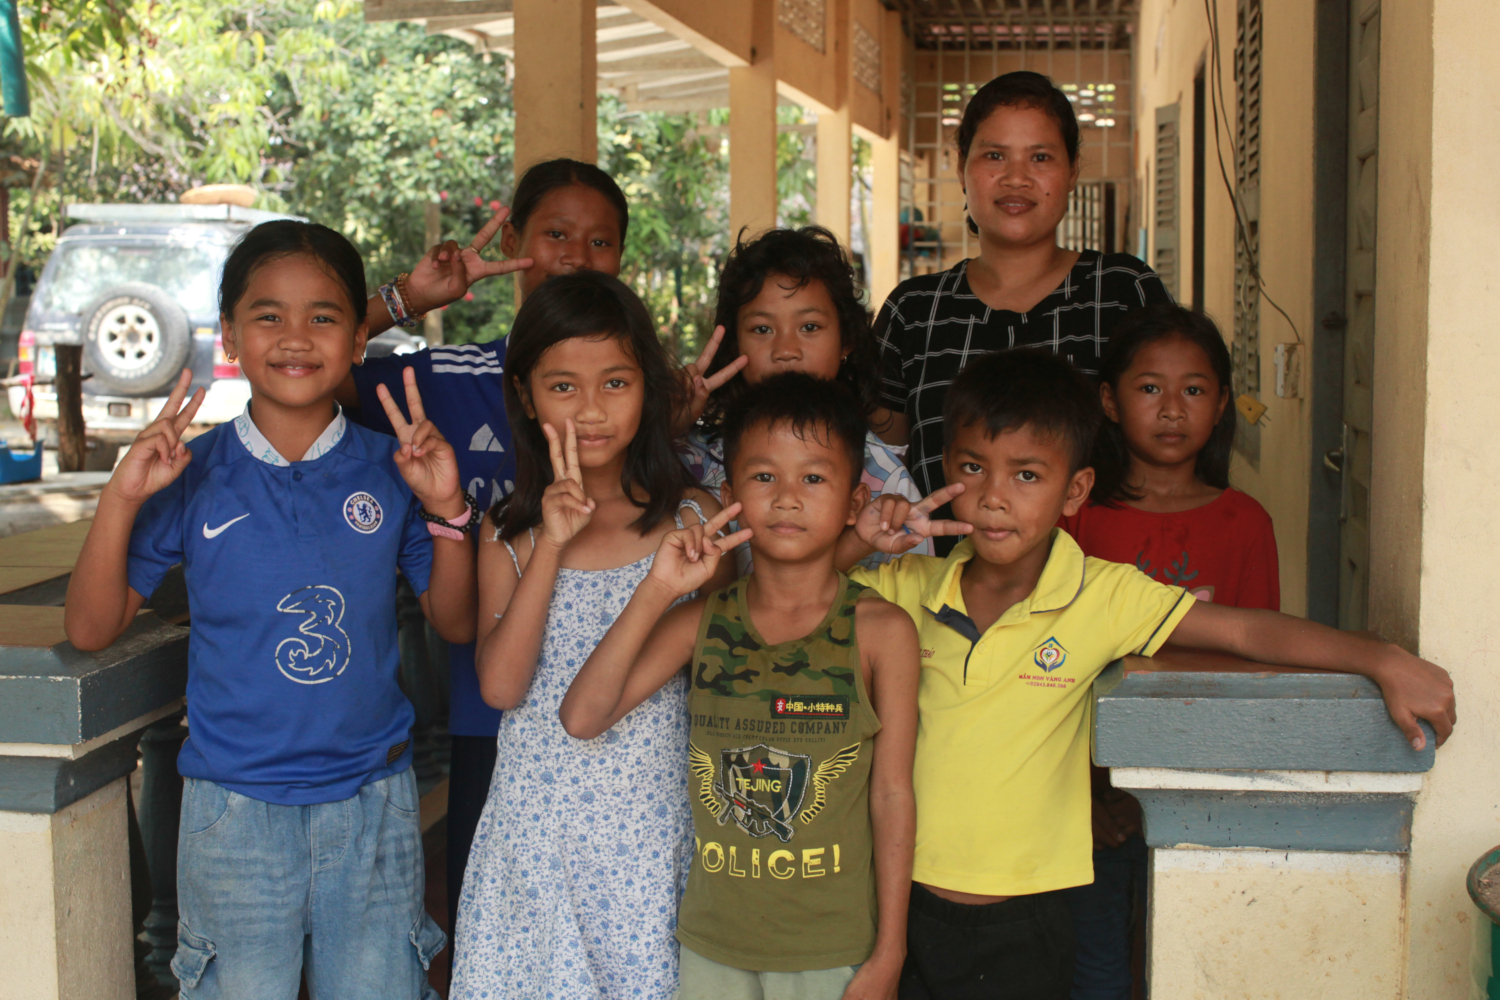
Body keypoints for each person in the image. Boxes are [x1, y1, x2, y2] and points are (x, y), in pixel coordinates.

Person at [842, 348, 1456, 1000]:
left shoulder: (1102, 597)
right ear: (944, 470)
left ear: (1074, 490)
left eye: (1026, 475)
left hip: (1032, 909)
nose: (994, 496)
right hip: (899, 896)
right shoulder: (906, 588)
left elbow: (1246, 630)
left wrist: (1381, 659)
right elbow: (792, 610)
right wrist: (859, 542)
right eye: (972, 468)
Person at [63, 221, 478, 998]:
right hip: (233, 811)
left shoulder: (391, 471)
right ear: (229, 335)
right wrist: (120, 497)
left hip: (372, 803)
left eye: (323, 316)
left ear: (360, 337)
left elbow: (455, 623)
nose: (295, 337)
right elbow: (89, 627)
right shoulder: (195, 473)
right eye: (268, 315)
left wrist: (449, 510)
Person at [337, 158, 631, 940]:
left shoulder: (639, 395)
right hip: (489, 718)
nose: (577, 254)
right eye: (555, 234)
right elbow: (315, 362)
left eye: (600, 240)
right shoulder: (451, 377)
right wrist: (406, 299)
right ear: (511, 240)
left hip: (631, 725)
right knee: (493, 939)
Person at [560, 372, 920, 1000]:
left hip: (833, 948)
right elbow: (583, 717)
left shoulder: (881, 631)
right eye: (763, 477)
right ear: (730, 495)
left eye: (813, 478)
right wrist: (660, 588)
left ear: (855, 503)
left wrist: (890, 951)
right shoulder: (701, 620)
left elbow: (892, 796)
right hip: (713, 946)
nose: (786, 497)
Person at [450, 271, 737, 1000]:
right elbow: (502, 687)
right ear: (524, 393)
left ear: (650, 388)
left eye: (615, 382)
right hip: (533, 847)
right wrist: (550, 541)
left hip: (649, 839)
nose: (592, 411)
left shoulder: (695, 522)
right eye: (563, 387)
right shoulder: (508, 536)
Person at [1054, 303, 1280, 998]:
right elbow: (1049, 663)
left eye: (1195, 389)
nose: (1173, 408)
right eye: (1150, 387)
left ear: (1221, 404)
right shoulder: (1079, 518)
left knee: (1190, 963)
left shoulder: (1245, 522)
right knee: (1096, 968)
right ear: (1109, 401)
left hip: (1204, 789)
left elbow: (1257, 667)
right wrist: (1084, 796)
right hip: (1091, 798)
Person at [872, 70, 1172, 505]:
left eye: (1041, 157)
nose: (1017, 178)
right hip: (938, 572)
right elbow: (881, 469)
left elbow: (1173, 445)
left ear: (1071, 172)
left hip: (1104, 572)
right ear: (961, 168)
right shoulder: (915, 311)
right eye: (994, 156)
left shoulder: (1124, 292)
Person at [685, 226, 930, 572]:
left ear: (847, 339)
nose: (786, 351)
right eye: (762, 329)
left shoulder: (884, 482)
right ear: (734, 344)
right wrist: (669, 423)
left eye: (810, 327)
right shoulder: (691, 460)